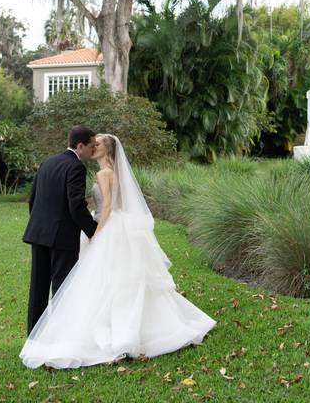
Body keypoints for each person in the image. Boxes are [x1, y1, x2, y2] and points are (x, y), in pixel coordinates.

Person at [21, 134, 215, 369]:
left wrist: (96, 233)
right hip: (117, 227)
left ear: (107, 149)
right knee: (119, 281)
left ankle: (59, 332)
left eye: (99, 143)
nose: (95, 146)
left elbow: (107, 207)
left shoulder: (100, 173)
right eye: (93, 143)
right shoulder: (116, 173)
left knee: (99, 282)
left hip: (105, 228)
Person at [23, 126, 99, 334]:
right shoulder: (76, 167)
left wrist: (40, 224)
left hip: (38, 233)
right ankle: (61, 337)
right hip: (61, 237)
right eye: (91, 146)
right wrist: (94, 231)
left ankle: (34, 336)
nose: (93, 150)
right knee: (62, 287)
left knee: (38, 288)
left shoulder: (47, 162)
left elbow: (32, 199)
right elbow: (75, 206)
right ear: (80, 145)